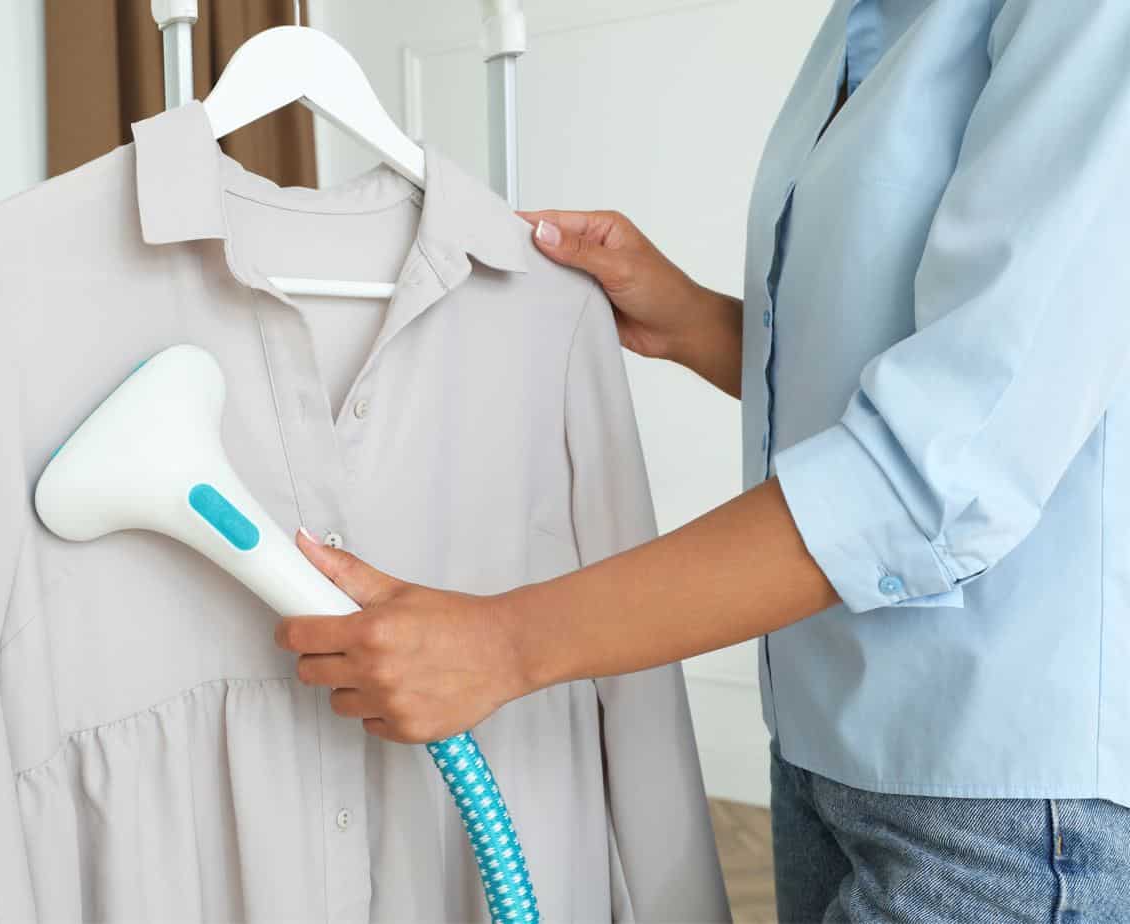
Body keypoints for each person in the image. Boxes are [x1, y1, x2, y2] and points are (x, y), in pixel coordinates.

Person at [276, 1, 1130, 920]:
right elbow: (912, 376)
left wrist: (505, 643)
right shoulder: (862, 23)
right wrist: (695, 322)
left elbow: (950, 463)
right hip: (820, 744)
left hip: (1002, 798)